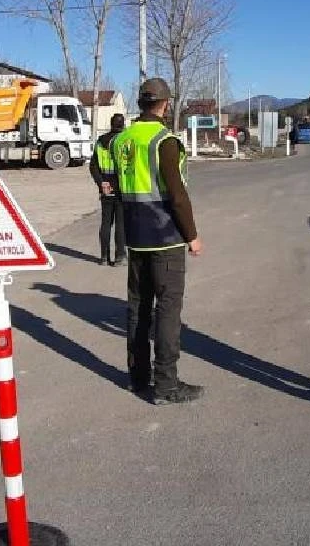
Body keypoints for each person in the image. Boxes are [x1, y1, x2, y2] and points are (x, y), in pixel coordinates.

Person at [111, 77, 204, 405]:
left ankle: (137, 378)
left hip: (135, 238)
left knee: (138, 309)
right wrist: (191, 236)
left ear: (140, 103)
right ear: (165, 104)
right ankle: (166, 384)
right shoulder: (164, 140)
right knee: (167, 310)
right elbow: (177, 195)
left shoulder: (122, 140)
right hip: (164, 237)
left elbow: (115, 183)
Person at [91, 113, 127, 266]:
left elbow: (93, 166)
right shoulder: (125, 140)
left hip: (105, 185)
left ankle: (104, 257)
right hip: (121, 187)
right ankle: (120, 257)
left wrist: (101, 183)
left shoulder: (100, 142)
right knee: (121, 224)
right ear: (123, 125)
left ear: (111, 124)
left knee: (106, 223)